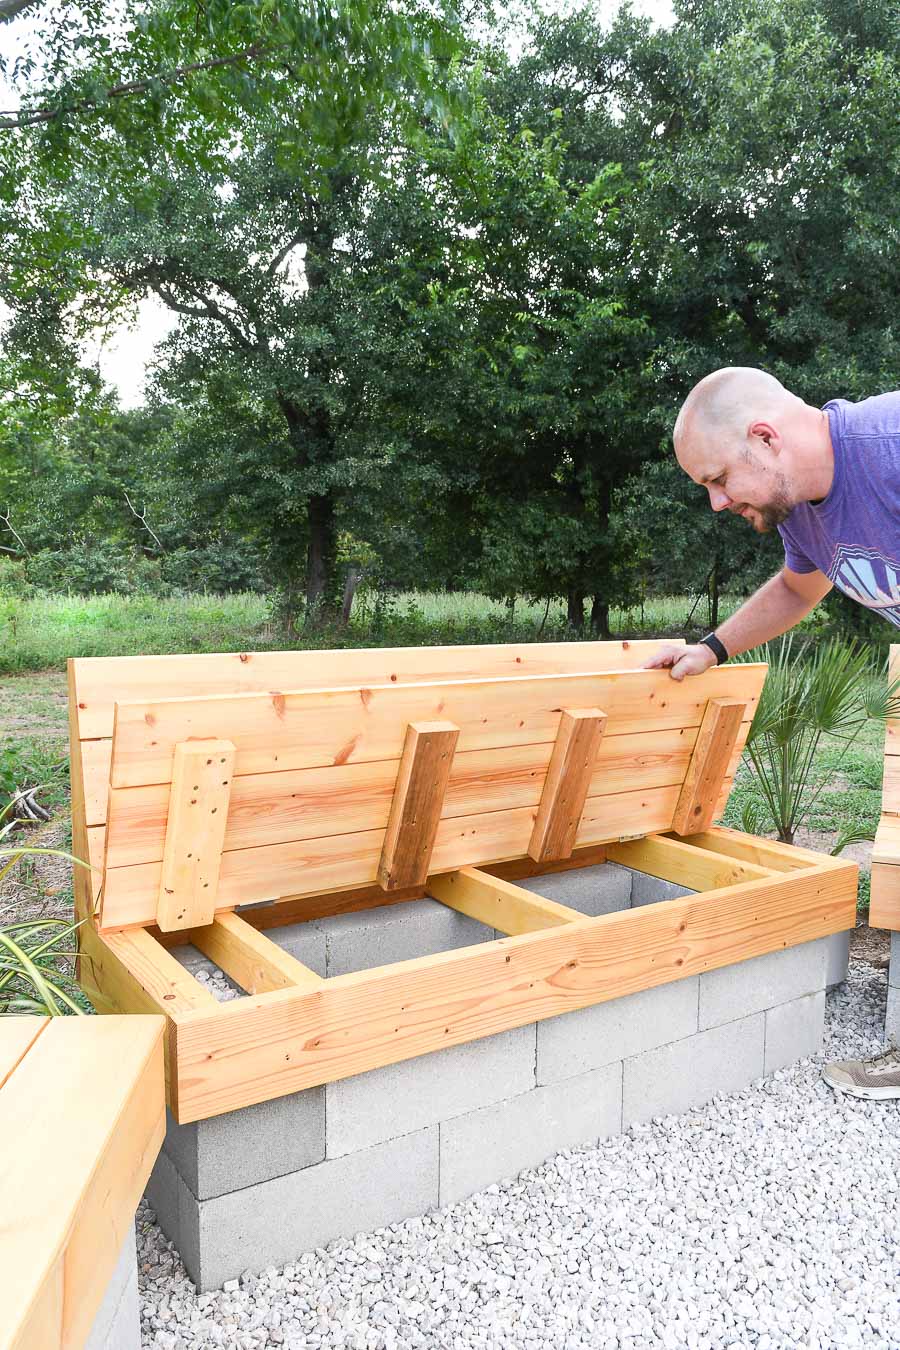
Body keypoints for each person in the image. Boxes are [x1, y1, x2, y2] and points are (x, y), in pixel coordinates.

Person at [644, 366, 900, 1099]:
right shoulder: (803, 513)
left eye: (719, 478)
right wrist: (712, 648)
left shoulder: (890, 445)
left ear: (764, 437)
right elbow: (798, 587)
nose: (718, 501)